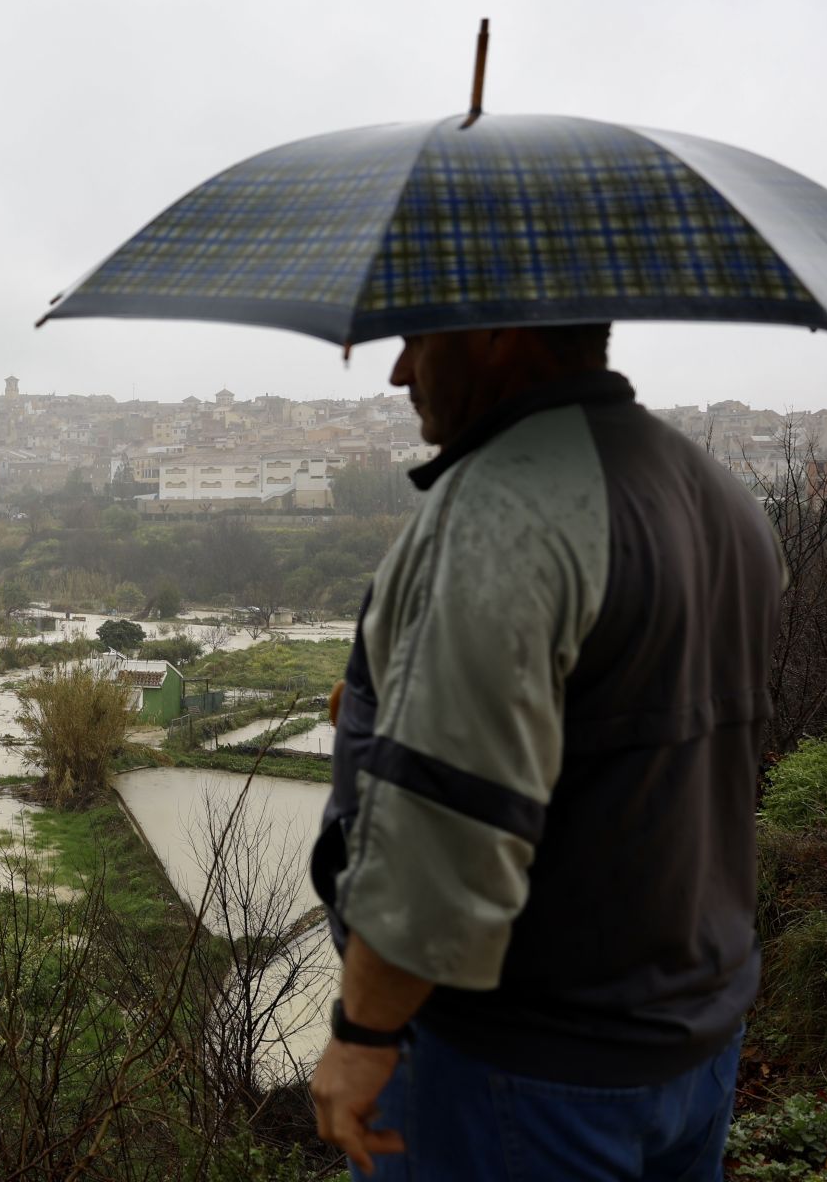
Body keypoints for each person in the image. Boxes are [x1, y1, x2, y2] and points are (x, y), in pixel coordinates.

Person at [308, 323, 782, 1179]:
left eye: (418, 338)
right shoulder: (717, 494)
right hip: (689, 1042)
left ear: (494, 334)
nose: (398, 371)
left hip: (514, 1072)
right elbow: (633, 734)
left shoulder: (504, 506)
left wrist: (364, 1031)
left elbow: (446, 823)